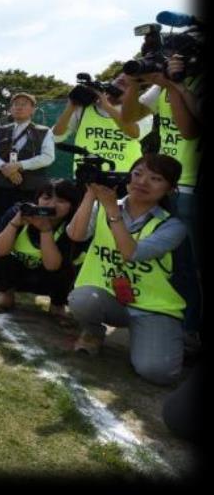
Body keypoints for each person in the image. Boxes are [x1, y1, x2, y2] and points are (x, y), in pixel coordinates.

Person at [66, 154, 187, 385]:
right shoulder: (104, 204)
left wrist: (112, 208)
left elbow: (130, 253)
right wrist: (91, 193)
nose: (142, 182)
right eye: (138, 173)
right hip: (111, 299)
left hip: (153, 308)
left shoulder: (172, 226)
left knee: (157, 372)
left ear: (170, 189)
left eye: (156, 178)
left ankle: (152, 336)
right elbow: (75, 234)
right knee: (82, 299)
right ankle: (93, 330)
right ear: (127, 177)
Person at [120, 56, 203, 355]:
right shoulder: (161, 86)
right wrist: (133, 83)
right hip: (166, 186)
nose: (173, 60)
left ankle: (190, 331)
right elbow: (129, 116)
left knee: (189, 265)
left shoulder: (188, 84)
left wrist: (172, 85)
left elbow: (188, 131)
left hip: (190, 183)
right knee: (173, 264)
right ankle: (179, 326)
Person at [0, 179, 84, 318]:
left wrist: (45, 230)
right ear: (37, 199)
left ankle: (57, 305)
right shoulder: (18, 212)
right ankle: (7, 296)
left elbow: (53, 266)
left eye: (61, 201)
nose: (52, 204)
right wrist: (14, 223)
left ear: (72, 205)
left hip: (50, 278)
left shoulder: (73, 227)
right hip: (20, 275)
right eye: (46, 198)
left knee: (67, 270)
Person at [0, 92, 55, 241]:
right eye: (15, 104)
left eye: (24, 104)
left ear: (33, 109)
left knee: (27, 229)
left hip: (30, 191)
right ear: (10, 109)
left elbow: (47, 157)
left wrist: (19, 165)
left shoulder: (44, 131)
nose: (19, 107)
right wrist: (5, 168)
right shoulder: (0, 131)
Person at [52, 74, 148, 174]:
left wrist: (107, 106)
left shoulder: (141, 110)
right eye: (119, 81)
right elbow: (56, 136)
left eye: (125, 84)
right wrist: (71, 106)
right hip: (88, 176)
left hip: (125, 176)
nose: (120, 85)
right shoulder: (85, 109)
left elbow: (134, 133)